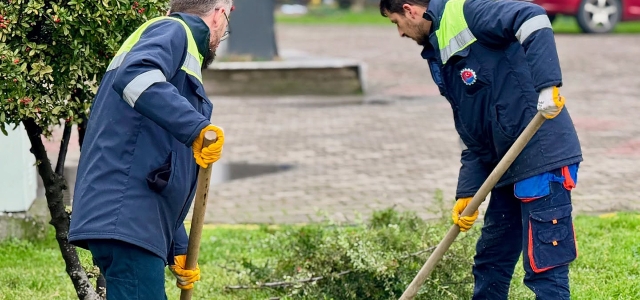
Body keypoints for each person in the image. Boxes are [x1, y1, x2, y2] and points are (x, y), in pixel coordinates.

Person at [379, 0, 583, 298]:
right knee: (491, 262)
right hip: (505, 166)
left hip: (540, 151)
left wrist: (547, 85)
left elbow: (532, 16)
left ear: (410, 10)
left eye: (395, 21)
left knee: (544, 268)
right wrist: (468, 190)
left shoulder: (468, 11)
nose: (399, 32)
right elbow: (471, 127)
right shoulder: (437, 52)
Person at [68, 0, 233, 298]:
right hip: (127, 220)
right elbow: (133, 76)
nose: (222, 38)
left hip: (129, 219)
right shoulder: (174, 30)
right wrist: (195, 128)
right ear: (220, 14)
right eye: (227, 28)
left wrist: (179, 245)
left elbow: (155, 161)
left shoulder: (172, 44)